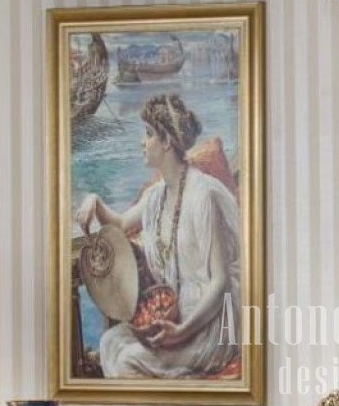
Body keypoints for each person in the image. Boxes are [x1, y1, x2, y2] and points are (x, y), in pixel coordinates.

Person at [75, 95, 243, 378]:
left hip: (211, 320)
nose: (142, 142)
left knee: (127, 361)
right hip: (176, 313)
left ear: (166, 142)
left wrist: (182, 332)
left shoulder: (203, 196)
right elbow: (120, 223)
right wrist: (95, 200)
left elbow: (220, 282)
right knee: (109, 342)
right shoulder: (157, 195)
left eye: (149, 134)